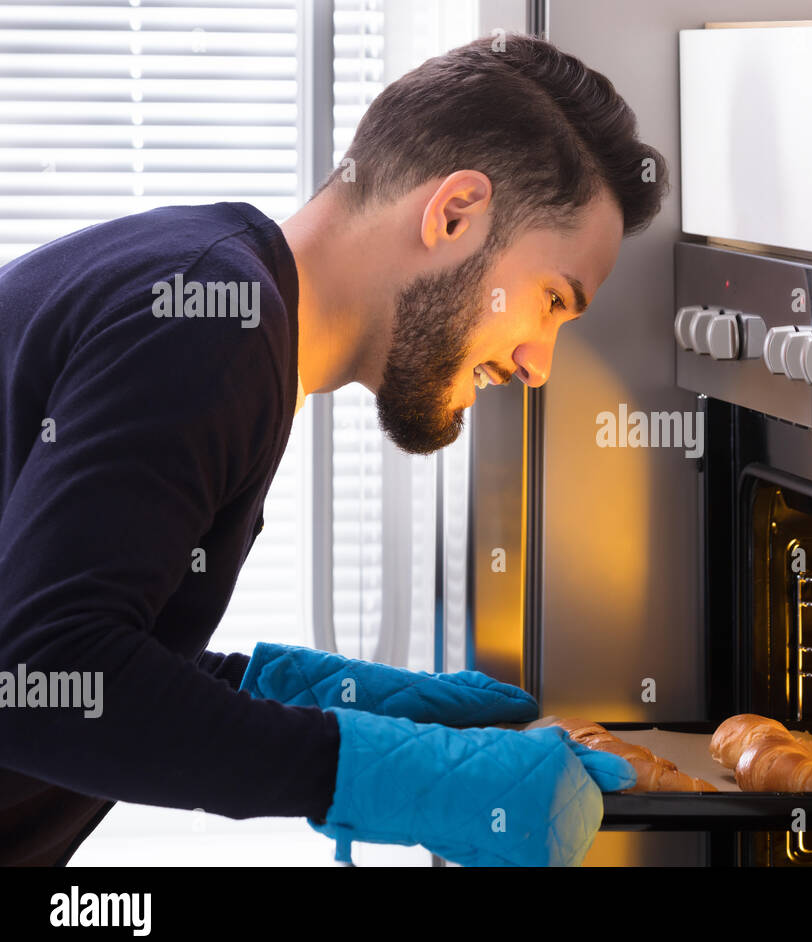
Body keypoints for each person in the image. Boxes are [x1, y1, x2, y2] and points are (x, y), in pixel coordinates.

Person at [0, 32, 668, 866]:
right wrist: (393, 773)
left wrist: (329, 700)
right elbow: (41, 682)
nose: (539, 364)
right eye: (552, 300)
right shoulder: (211, 324)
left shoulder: (214, 291)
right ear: (454, 214)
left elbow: (73, 647)